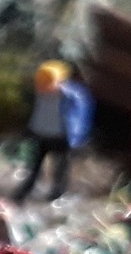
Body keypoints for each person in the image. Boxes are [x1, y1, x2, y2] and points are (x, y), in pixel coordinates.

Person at [12, 60, 93, 203]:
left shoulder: (69, 93)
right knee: (39, 167)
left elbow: (80, 114)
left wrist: (78, 137)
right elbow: (38, 114)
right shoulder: (44, 94)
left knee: (57, 167)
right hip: (47, 136)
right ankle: (25, 193)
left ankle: (53, 195)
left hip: (59, 136)